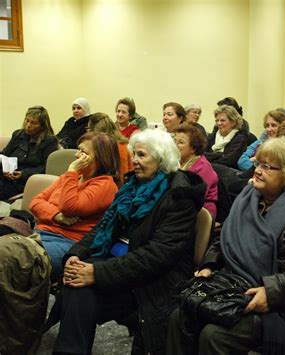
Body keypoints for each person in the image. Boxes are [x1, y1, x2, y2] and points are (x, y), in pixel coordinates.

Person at [166, 136, 285, 355]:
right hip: (234, 285)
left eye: (267, 166)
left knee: (215, 335)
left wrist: (272, 293)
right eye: (257, 163)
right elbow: (225, 238)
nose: (257, 170)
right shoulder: (250, 196)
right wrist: (210, 264)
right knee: (179, 316)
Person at [52, 129, 206, 354]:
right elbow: (102, 228)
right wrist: (75, 254)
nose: (134, 160)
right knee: (77, 286)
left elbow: (156, 256)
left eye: (142, 155)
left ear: (162, 159)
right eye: (134, 154)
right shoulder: (132, 187)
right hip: (117, 264)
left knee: (80, 290)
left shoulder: (179, 196)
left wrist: (97, 272)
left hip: (154, 282)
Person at [30, 132, 120, 280]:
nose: (77, 155)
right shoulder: (74, 177)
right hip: (41, 233)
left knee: (16, 257)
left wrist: (71, 172)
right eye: (78, 150)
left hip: (67, 242)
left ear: (100, 158)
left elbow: (69, 207)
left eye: (83, 152)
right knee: (9, 251)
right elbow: (36, 202)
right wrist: (56, 215)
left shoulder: (105, 185)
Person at [0, 106, 58, 201]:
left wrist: (23, 174)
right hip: (6, 177)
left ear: (42, 126)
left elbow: (45, 168)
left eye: (34, 123)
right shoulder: (18, 134)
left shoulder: (49, 141)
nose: (28, 125)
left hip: (25, 182)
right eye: (27, 121)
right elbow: (5, 154)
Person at [175, 123, 218, 218]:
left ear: (193, 148)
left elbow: (197, 198)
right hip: (179, 206)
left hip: (201, 212)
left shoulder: (203, 167)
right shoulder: (176, 162)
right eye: (175, 141)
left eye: (180, 142)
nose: (175, 145)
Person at [87, 112, 133, 180]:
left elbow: (122, 177)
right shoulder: (102, 146)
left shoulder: (119, 147)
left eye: (89, 129)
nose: (87, 133)